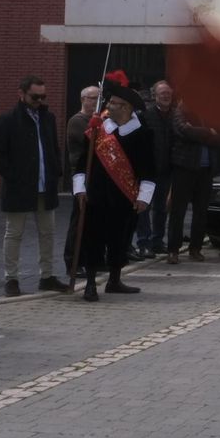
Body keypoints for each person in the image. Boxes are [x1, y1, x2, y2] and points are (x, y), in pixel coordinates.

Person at [72, 72, 155, 302]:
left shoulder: (142, 134)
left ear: (127, 107)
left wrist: (143, 197)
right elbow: (81, 163)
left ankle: (115, 280)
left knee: (120, 239)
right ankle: (90, 283)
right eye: (109, 102)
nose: (109, 106)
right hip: (96, 195)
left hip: (124, 196)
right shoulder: (98, 130)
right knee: (93, 239)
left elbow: (149, 169)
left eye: (115, 103)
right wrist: (79, 189)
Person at [0, 75, 67, 298]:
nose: (39, 101)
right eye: (35, 96)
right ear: (21, 94)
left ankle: (47, 276)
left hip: (45, 185)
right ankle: (11, 278)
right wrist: (14, 176)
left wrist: (55, 171)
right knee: (14, 233)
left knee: (48, 233)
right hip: (19, 187)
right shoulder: (7, 120)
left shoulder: (48, 118)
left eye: (43, 96)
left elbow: (53, 147)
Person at [165, 97, 220, 264]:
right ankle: (173, 250)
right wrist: (208, 132)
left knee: (201, 212)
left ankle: (195, 248)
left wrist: (198, 132)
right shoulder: (183, 108)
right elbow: (183, 130)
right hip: (184, 166)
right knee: (178, 211)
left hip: (206, 170)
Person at [136, 81, 177, 259]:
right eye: (162, 94)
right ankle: (143, 243)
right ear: (155, 96)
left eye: (168, 93)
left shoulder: (176, 116)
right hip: (147, 170)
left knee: (161, 208)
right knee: (144, 207)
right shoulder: (145, 115)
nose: (165, 96)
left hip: (167, 169)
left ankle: (157, 241)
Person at [63, 85, 99, 278]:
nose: (95, 102)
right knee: (78, 220)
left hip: (96, 175)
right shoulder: (77, 121)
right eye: (92, 98)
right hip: (81, 175)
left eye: (98, 98)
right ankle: (72, 262)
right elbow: (90, 139)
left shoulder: (99, 119)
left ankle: (89, 259)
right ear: (83, 99)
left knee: (92, 221)